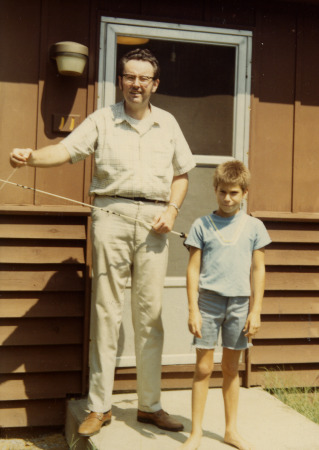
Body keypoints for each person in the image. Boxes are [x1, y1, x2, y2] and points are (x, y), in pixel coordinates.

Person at [10, 48, 196, 437]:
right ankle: (99, 406)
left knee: (150, 316)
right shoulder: (102, 120)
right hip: (109, 217)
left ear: (155, 84)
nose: (136, 84)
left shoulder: (168, 123)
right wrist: (31, 158)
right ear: (121, 80)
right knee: (106, 311)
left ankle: (150, 405)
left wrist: (173, 211)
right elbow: (64, 150)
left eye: (144, 78)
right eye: (130, 76)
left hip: (154, 223)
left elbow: (182, 173)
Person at [180, 161, 271, 450]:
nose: (228, 199)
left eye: (234, 193)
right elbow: (193, 269)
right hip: (208, 302)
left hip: (240, 305)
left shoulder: (254, 226)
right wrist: (193, 308)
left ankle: (231, 430)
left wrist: (255, 310)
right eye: (222, 192)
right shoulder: (201, 225)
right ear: (215, 190)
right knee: (204, 368)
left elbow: (258, 270)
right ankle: (196, 432)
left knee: (232, 368)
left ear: (244, 193)